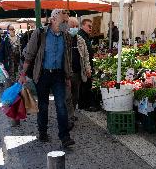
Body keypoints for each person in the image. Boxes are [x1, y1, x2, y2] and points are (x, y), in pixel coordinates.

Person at [18, 9, 75, 147]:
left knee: (61, 105)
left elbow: (67, 58)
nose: (66, 25)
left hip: (58, 75)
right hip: (42, 74)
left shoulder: (66, 36)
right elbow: (29, 55)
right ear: (53, 20)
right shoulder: (40, 33)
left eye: (67, 22)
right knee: (43, 105)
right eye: (63, 21)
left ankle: (65, 137)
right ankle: (42, 131)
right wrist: (22, 74)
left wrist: (68, 77)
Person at [66, 17, 92, 128]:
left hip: (77, 72)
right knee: (67, 96)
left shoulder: (80, 39)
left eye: (76, 26)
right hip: (67, 73)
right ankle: (68, 117)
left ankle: (71, 113)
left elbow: (86, 55)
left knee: (75, 95)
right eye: (72, 26)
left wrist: (87, 68)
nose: (75, 28)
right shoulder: (63, 39)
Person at [78, 19, 98, 112]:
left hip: (87, 64)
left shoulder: (85, 36)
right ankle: (85, 105)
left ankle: (84, 104)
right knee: (85, 85)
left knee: (86, 85)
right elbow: (83, 54)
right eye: (88, 26)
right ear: (82, 26)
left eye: (91, 26)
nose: (90, 28)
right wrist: (87, 67)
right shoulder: (81, 36)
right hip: (84, 66)